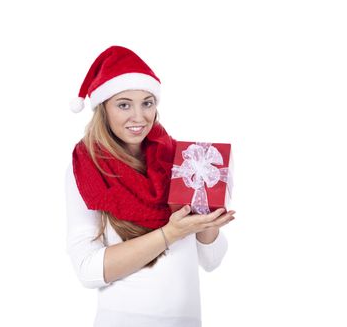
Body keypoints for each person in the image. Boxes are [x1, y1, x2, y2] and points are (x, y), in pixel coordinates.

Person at [65, 45, 236, 327]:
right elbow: (87, 270)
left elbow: (211, 259)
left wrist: (206, 219)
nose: (139, 116)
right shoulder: (87, 168)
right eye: (123, 104)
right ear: (103, 108)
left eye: (147, 102)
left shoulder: (183, 161)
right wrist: (169, 233)